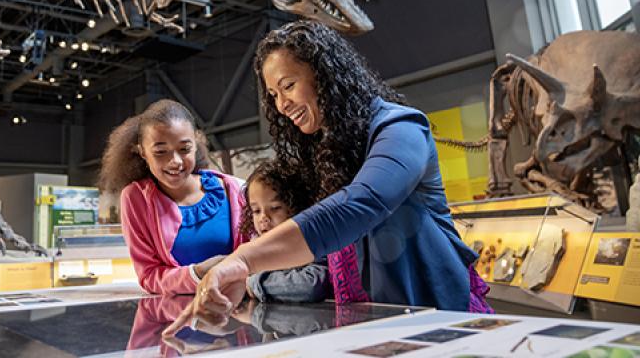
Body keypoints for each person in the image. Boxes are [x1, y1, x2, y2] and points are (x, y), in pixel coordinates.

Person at [165, 21, 491, 333]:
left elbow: (362, 203)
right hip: (375, 326)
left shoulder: (402, 127)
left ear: (324, 76)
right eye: (274, 95)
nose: (282, 105)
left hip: (440, 320)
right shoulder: (326, 153)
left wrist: (242, 261)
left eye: (289, 86)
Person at [99, 99, 247, 295]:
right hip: (176, 317)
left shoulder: (234, 189)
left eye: (184, 149)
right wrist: (197, 274)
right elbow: (149, 276)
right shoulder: (136, 198)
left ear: (196, 145)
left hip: (238, 312)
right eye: (161, 152)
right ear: (143, 152)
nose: (175, 161)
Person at [240, 161, 331, 303]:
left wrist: (254, 284)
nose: (263, 218)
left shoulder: (311, 239)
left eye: (275, 208)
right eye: (256, 211)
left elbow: (313, 285)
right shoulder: (255, 246)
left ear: (297, 206)